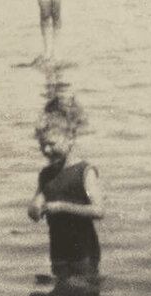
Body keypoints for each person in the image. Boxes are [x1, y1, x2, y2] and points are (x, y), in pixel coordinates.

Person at [27, 107, 104, 280]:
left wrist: (62, 207)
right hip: (58, 251)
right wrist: (34, 209)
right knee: (61, 295)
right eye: (42, 145)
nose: (46, 150)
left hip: (84, 251)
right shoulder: (46, 175)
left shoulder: (84, 171)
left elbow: (99, 211)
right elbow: (35, 207)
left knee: (84, 294)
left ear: (70, 139)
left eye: (52, 144)